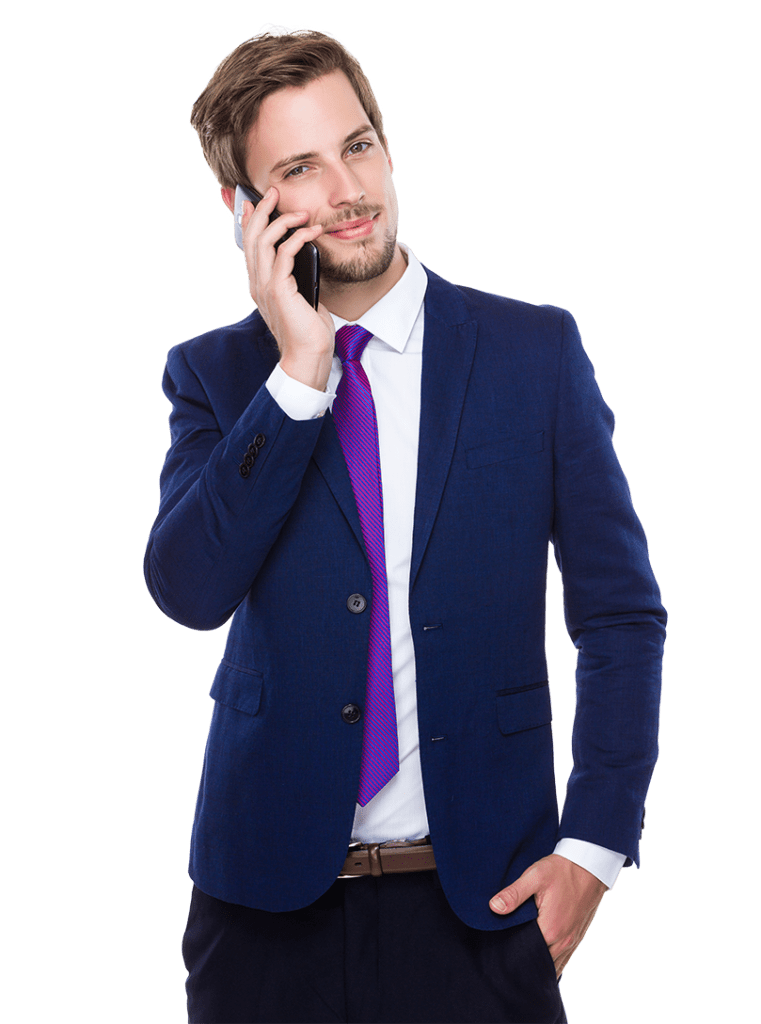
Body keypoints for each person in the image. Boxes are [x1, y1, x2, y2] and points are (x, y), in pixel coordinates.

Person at [143, 24, 666, 1024]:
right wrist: (298, 376)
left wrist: (592, 847)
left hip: (483, 904)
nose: (346, 187)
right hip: (261, 915)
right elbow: (188, 589)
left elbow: (618, 615)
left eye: (357, 145)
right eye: (297, 167)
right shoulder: (215, 375)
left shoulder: (533, 354)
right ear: (245, 208)